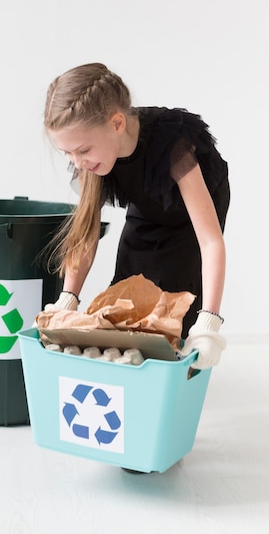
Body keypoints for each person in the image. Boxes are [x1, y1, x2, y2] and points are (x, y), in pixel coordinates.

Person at [43, 63, 230, 370]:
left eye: (83, 150)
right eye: (67, 154)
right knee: (126, 298)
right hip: (147, 202)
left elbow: (210, 242)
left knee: (178, 306)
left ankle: (177, 375)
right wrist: (69, 297)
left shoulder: (173, 147)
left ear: (117, 124)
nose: (77, 161)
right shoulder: (94, 158)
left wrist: (209, 322)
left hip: (192, 214)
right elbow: (86, 231)